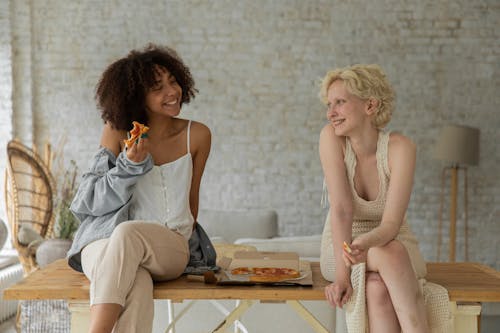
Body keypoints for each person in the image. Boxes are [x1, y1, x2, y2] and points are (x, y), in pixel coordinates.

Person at [66, 44, 211, 333]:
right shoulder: (117, 132)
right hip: (105, 241)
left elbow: (191, 204)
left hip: (167, 245)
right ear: (136, 96)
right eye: (158, 87)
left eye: (173, 81)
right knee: (138, 280)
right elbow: (87, 201)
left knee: (128, 233)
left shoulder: (197, 135)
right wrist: (128, 165)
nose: (172, 92)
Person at [318, 64, 429, 332]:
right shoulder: (331, 139)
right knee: (387, 260)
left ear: (370, 105)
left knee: (377, 287)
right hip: (342, 246)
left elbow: (391, 226)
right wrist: (342, 277)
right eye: (329, 104)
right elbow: (342, 210)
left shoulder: (400, 148)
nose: (331, 112)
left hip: (394, 243)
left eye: (340, 102)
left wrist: (367, 242)